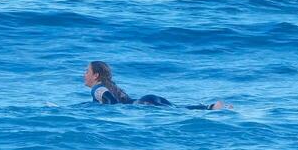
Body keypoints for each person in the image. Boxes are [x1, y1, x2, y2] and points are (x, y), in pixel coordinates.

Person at [83, 61, 230, 110]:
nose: (84, 74)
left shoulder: (98, 88)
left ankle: (212, 108)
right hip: (147, 99)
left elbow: (111, 103)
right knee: (178, 108)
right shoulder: (110, 86)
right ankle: (210, 107)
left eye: (86, 71)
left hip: (142, 104)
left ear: (96, 75)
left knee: (177, 110)